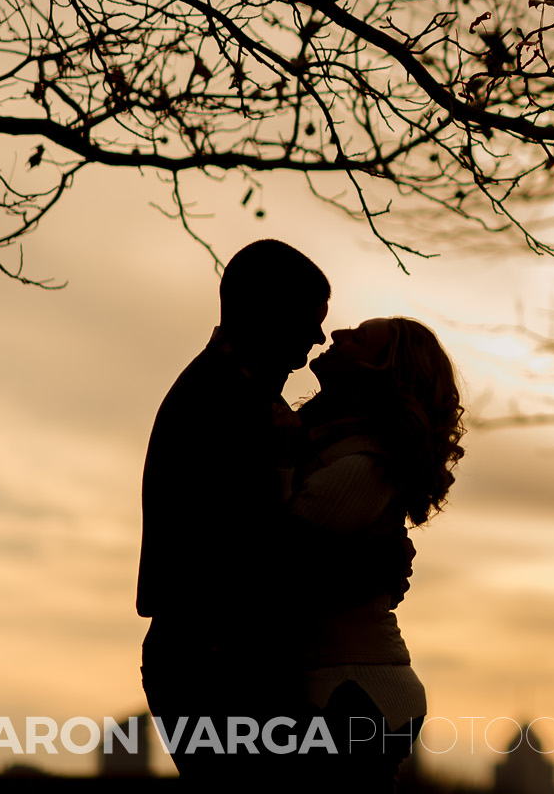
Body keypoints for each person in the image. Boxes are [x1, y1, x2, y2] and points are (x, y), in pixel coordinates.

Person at [137, 240, 409, 790]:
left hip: (223, 660)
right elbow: (258, 557)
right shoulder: (221, 408)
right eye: (309, 322)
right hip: (215, 665)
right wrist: (372, 568)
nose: (316, 340)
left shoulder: (250, 399)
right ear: (267, 313)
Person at [289, 316, 465, 791]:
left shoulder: (367, 467)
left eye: (359, 337)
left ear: (380, 372)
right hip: (342, 686)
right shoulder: (332, 442)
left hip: (355, 691)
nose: (336, 335)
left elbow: (267, 552)